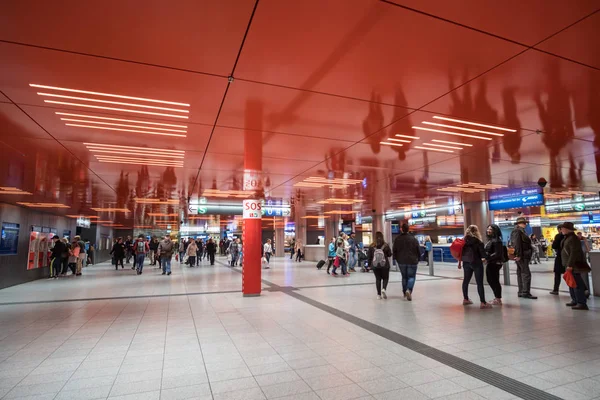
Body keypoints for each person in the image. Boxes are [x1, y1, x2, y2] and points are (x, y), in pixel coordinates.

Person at [460, 225, 492, 309]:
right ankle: (483, 302)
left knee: (466, 281)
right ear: (476, 232)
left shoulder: (463, 241)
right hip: (476, 263)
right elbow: (483, 255)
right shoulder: (478, 242)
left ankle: (465, 299)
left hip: (466, 263)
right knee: (479, 283)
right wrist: (488, 257)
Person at [561, 222, 590, 310]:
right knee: (572, 282)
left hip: (573, 265)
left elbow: (574, 253)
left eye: (563, 228)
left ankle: (581, 302)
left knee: (576, 283)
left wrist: (570, 265)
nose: (561, 230)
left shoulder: (573, 238)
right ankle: (575, 300)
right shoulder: (567, 238)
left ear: (567, 229)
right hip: (569, 264)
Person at [393, 223, 421, 301]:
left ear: (402, 229)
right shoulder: (413, 239)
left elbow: (394, 250)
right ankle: (409, 289)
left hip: (401, 261)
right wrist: (418, 258)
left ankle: (404, 292)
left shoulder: (397, 239)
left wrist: (396, 259)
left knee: (404, 277)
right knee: (411, 277)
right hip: (412, 261)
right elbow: (418, 250)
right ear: (408, 229)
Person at [510, 217, 537, 299]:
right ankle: (525, 292)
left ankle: (522, 291)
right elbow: (517, 244)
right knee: (526, 274)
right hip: (522, 256)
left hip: (523, 255)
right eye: (524, 223)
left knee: (521, 273)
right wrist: (518, 255)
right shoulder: (517, 231)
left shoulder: (521, 231)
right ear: (519, 223)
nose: (525, 224)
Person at [368, 231, 392, 300]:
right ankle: (384, 289)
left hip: (375, 265)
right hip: (384, 265)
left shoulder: (372, 246)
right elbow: (390, 254)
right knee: (385, 278)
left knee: (378, 279)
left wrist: (369, 265)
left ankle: (378, 295)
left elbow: (369, 256)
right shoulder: (386, 245)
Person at [485, 224, 504, 305]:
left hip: (494, 263)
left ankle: (498, 298)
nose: (488, 231)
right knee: (491, 280)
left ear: (495, 231)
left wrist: (487, 258)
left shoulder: (496, 240)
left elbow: (497, 253)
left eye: (491, 229)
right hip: (492, 262)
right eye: (488, 229)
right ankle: (497, 297)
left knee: (494, 280)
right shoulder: (492, 240)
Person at [550, 224, 565, 295]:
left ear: (559, 229)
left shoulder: (558, 236)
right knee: (572, 274)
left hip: (560, 256)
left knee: (557, 274)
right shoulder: (569, 236)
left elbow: (554, 246)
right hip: (567, 257)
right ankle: (582, 289)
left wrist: (554, 243)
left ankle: (556, 290)